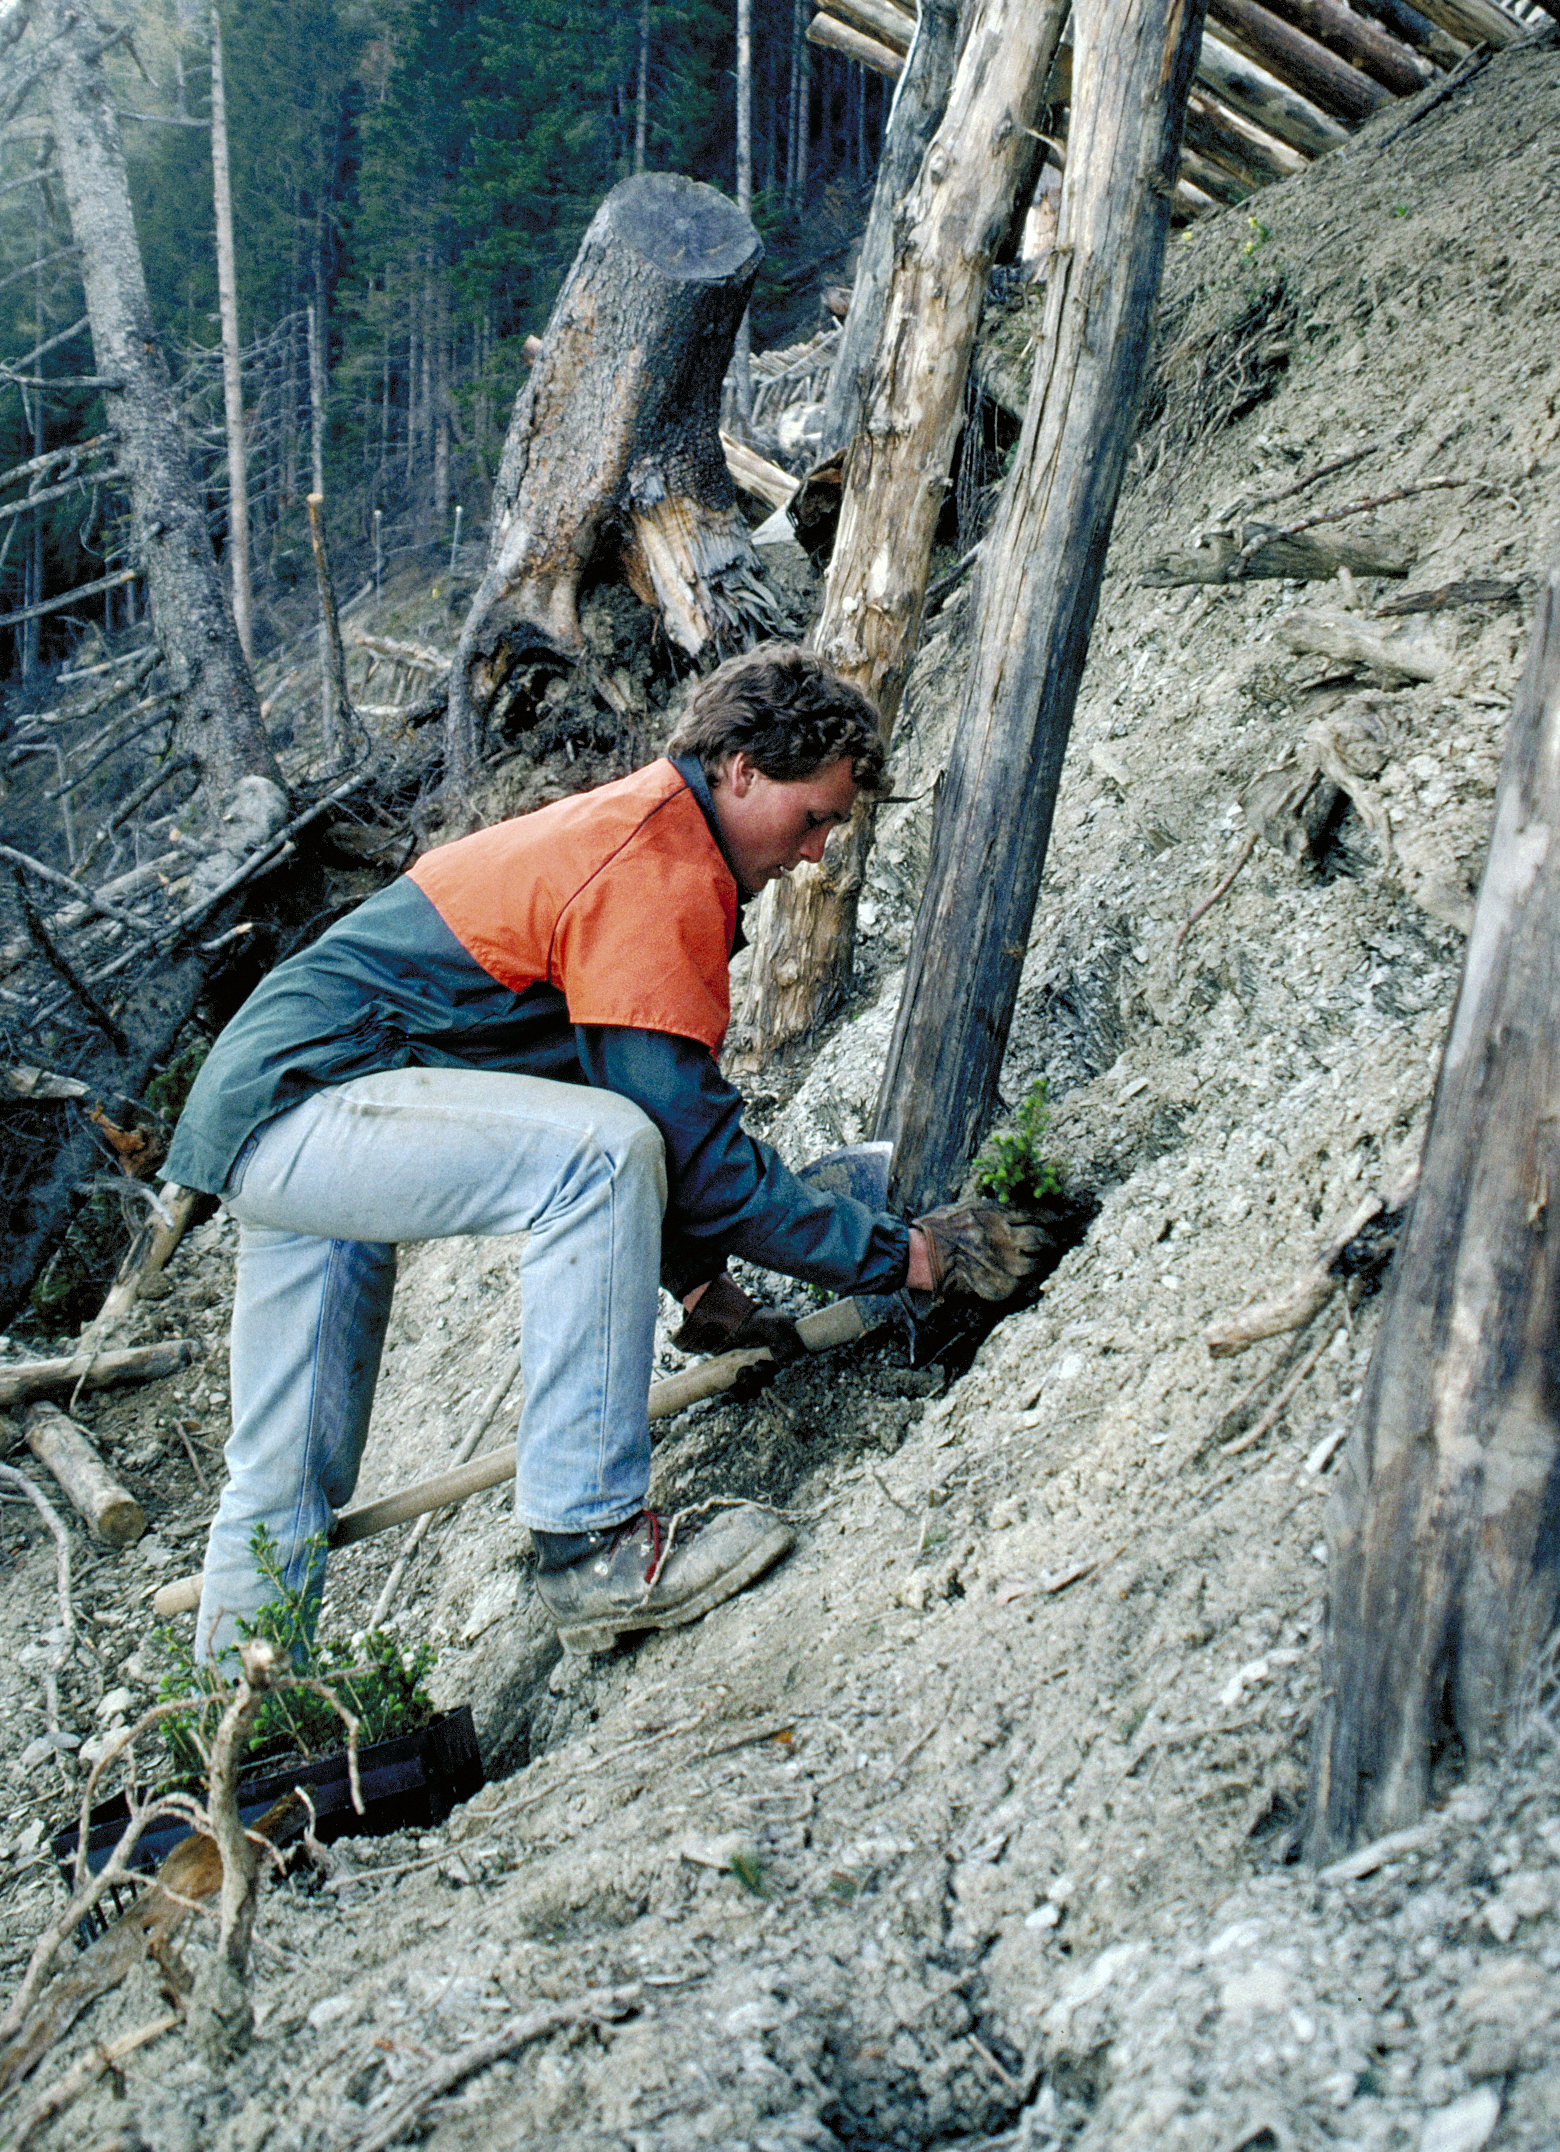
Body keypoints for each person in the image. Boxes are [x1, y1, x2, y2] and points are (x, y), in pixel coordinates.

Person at [164, 645, 1046, 1663]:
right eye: (813, 818)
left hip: (276, 1107)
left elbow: (606, 1087)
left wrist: (696, 1278)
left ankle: (240, 1735)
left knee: (288, 1464)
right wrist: (909, 1258)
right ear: (741, 768)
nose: (812, 854)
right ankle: (593, 1546)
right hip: (314, 1098)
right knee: (598, 1159)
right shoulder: (657, 862)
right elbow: (683, 1147)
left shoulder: (636, 838)